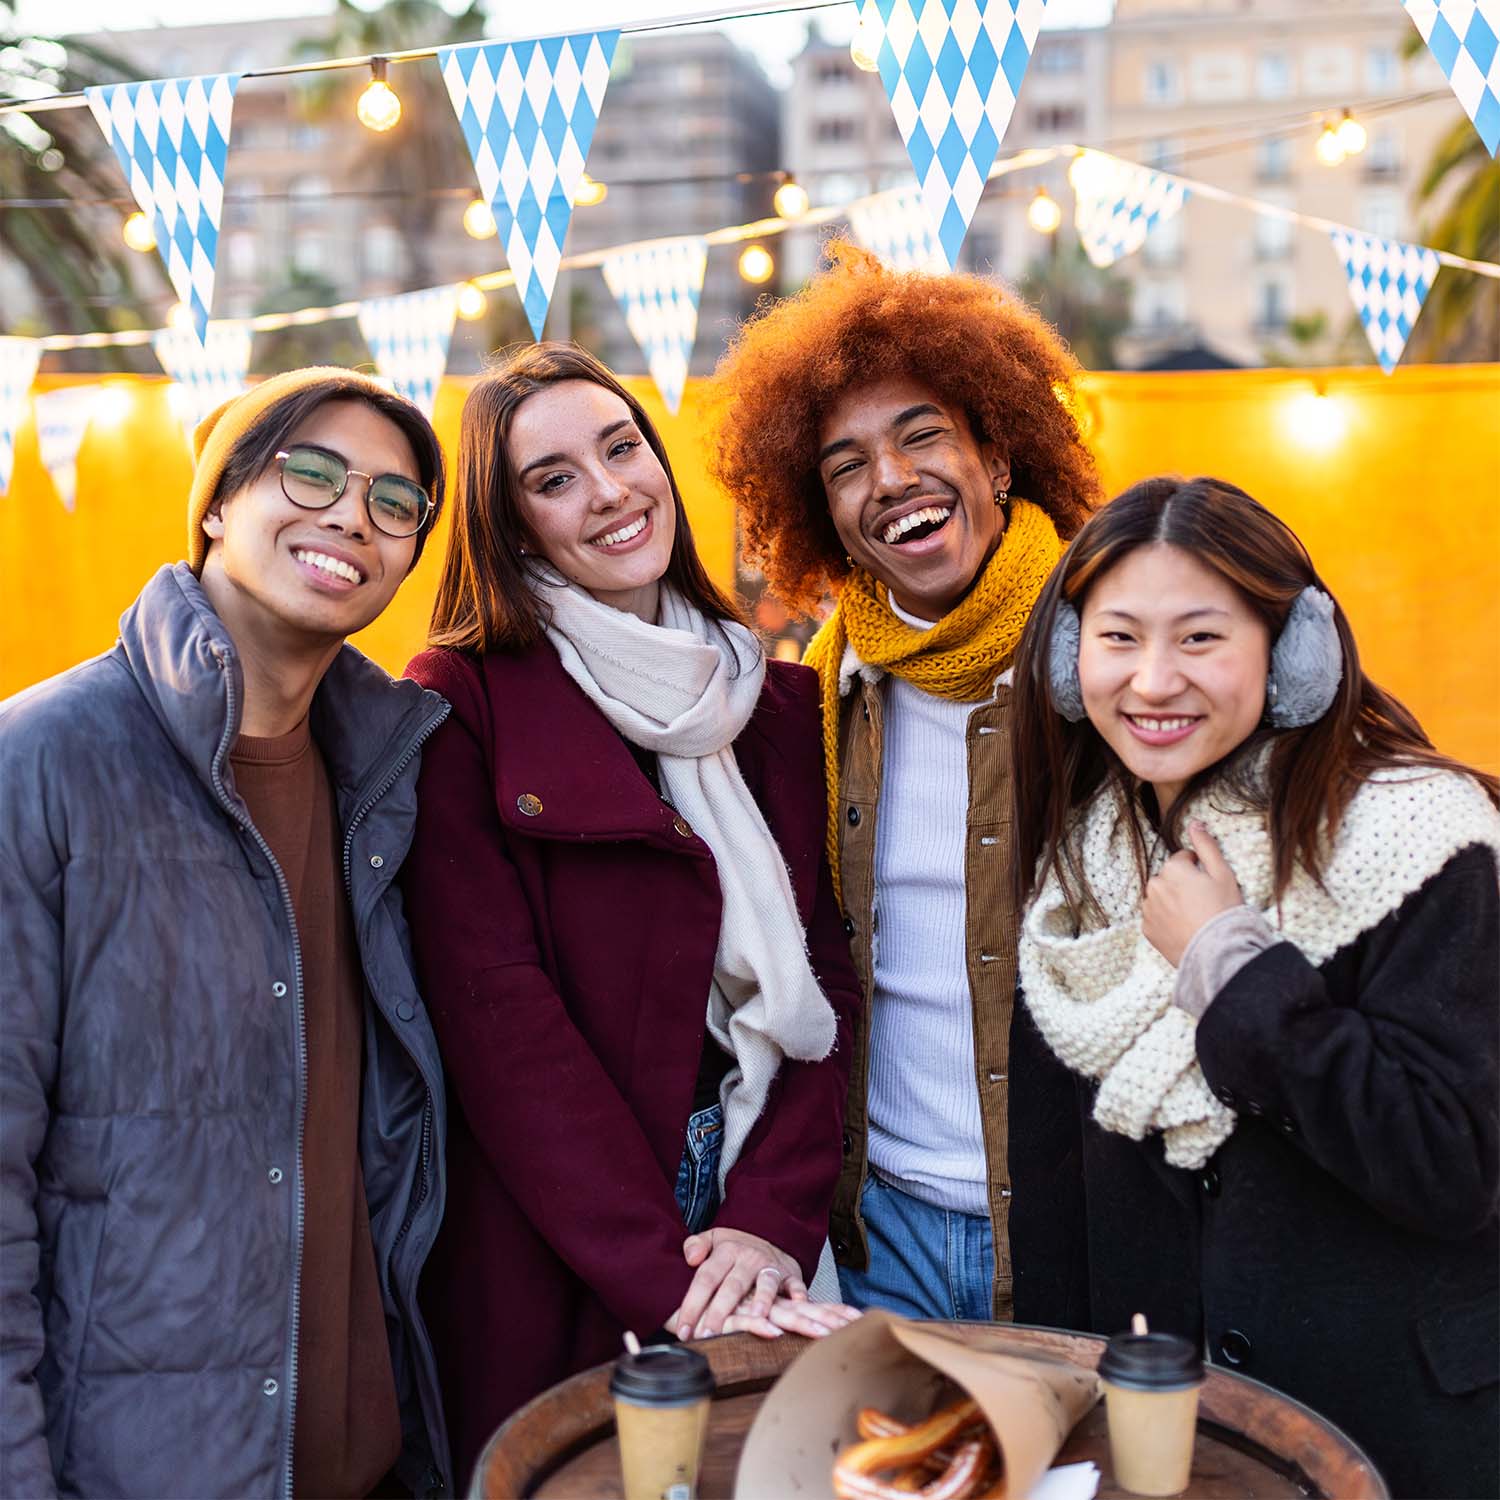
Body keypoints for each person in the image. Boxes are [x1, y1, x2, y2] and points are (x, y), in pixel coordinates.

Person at [402, 343, 862, 1484]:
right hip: (568, 1235)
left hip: (757, 1205)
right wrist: (680, 1281)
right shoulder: (461, 701)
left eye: (622, 449)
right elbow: (497, 1018)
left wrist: (769, 1223)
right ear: (510, 529)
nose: (609, 491)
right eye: (553, 479)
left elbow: (822, 977)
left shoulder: (774, 697)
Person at [0, 368, 455, 1499]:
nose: (354, 514)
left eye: (397, 503)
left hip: (369, 1463)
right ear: (214, 504)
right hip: (140, 1467)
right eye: (311, 471)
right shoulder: (42, 763)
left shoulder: (391, 785)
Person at [1011, 475, 1499, 1499]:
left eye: (1200, 639)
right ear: (1066, 661)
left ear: (1295, 652)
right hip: (1166, 1438)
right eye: (1118, 638)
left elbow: (1448, 1165)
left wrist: (1231, 964)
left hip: (1390, 1430)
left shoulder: (1423, 836)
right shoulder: (1083, 868)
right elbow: (1061, 1203)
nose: (1151, 682)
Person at [705, 241, 1101, 1326]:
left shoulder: (1113, 664)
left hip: (1091, 1227)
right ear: (822, 514)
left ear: (1000, 458)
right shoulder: (814, 701)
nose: (890, 480)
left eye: (921, 434)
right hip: (884, 1239)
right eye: (844, 465)